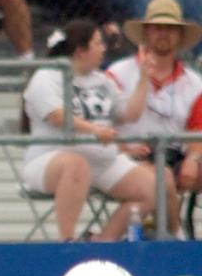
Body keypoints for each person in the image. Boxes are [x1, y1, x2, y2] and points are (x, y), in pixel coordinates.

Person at [22, 19, 157, 241]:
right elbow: (57, 116)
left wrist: (144, 78)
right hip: (51, 160)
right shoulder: (48, 76)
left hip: (102, 162)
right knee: (76, 165)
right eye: (98, 43)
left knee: (150, 189)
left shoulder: (102, 81)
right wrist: (94, 129)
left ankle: (102, 242)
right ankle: (67, 242)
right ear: (80, 50)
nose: (104, 49)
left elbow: (129, 114)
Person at [107, 0, 202, 234]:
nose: (164, 34)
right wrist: (122, 148)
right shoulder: (117, 74)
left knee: (173, 172)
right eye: (157, 28)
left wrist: (193, 159)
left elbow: (197, 131)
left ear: (180, 36)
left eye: (171, 29)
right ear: (146, 33)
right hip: (129, 156)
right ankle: (174, 240)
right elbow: (101, 124)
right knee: (164, 178)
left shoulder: (195, 83)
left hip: (176, 154)